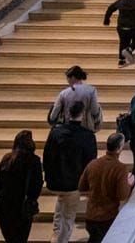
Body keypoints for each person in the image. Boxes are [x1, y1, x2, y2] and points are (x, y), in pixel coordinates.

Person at [43, 100, 97, 243]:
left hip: (56, 180)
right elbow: (90, 163)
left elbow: (47, 156)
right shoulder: (87, 136)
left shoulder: (55, 132)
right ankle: (61, 240)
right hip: (74, 183)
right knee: (68, 217)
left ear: (68, 113)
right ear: (82, 114)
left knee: (61, 202)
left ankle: (56, 236)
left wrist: (48, 175)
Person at [79, 132, 134, 243]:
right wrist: (129, 183)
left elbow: (82, 186)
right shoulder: (120, 168)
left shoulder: (93, 163)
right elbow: (122, 195)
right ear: (119, 148)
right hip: (107, 217)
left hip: (91, 215)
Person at [0, 130, 43, 243]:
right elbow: (36, 185)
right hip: (21, 207)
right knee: (21, 238)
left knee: (9, 238)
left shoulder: (7, 158)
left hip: (4, 204)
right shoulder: (34, 161)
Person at [48, 65, 103, 131]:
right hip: (86, 128)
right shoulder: (92, 91)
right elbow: (95, 111)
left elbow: (53, 116)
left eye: (68, 78)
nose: (67, 81)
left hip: (68, 129)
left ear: (73, 77)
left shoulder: (64, 93)